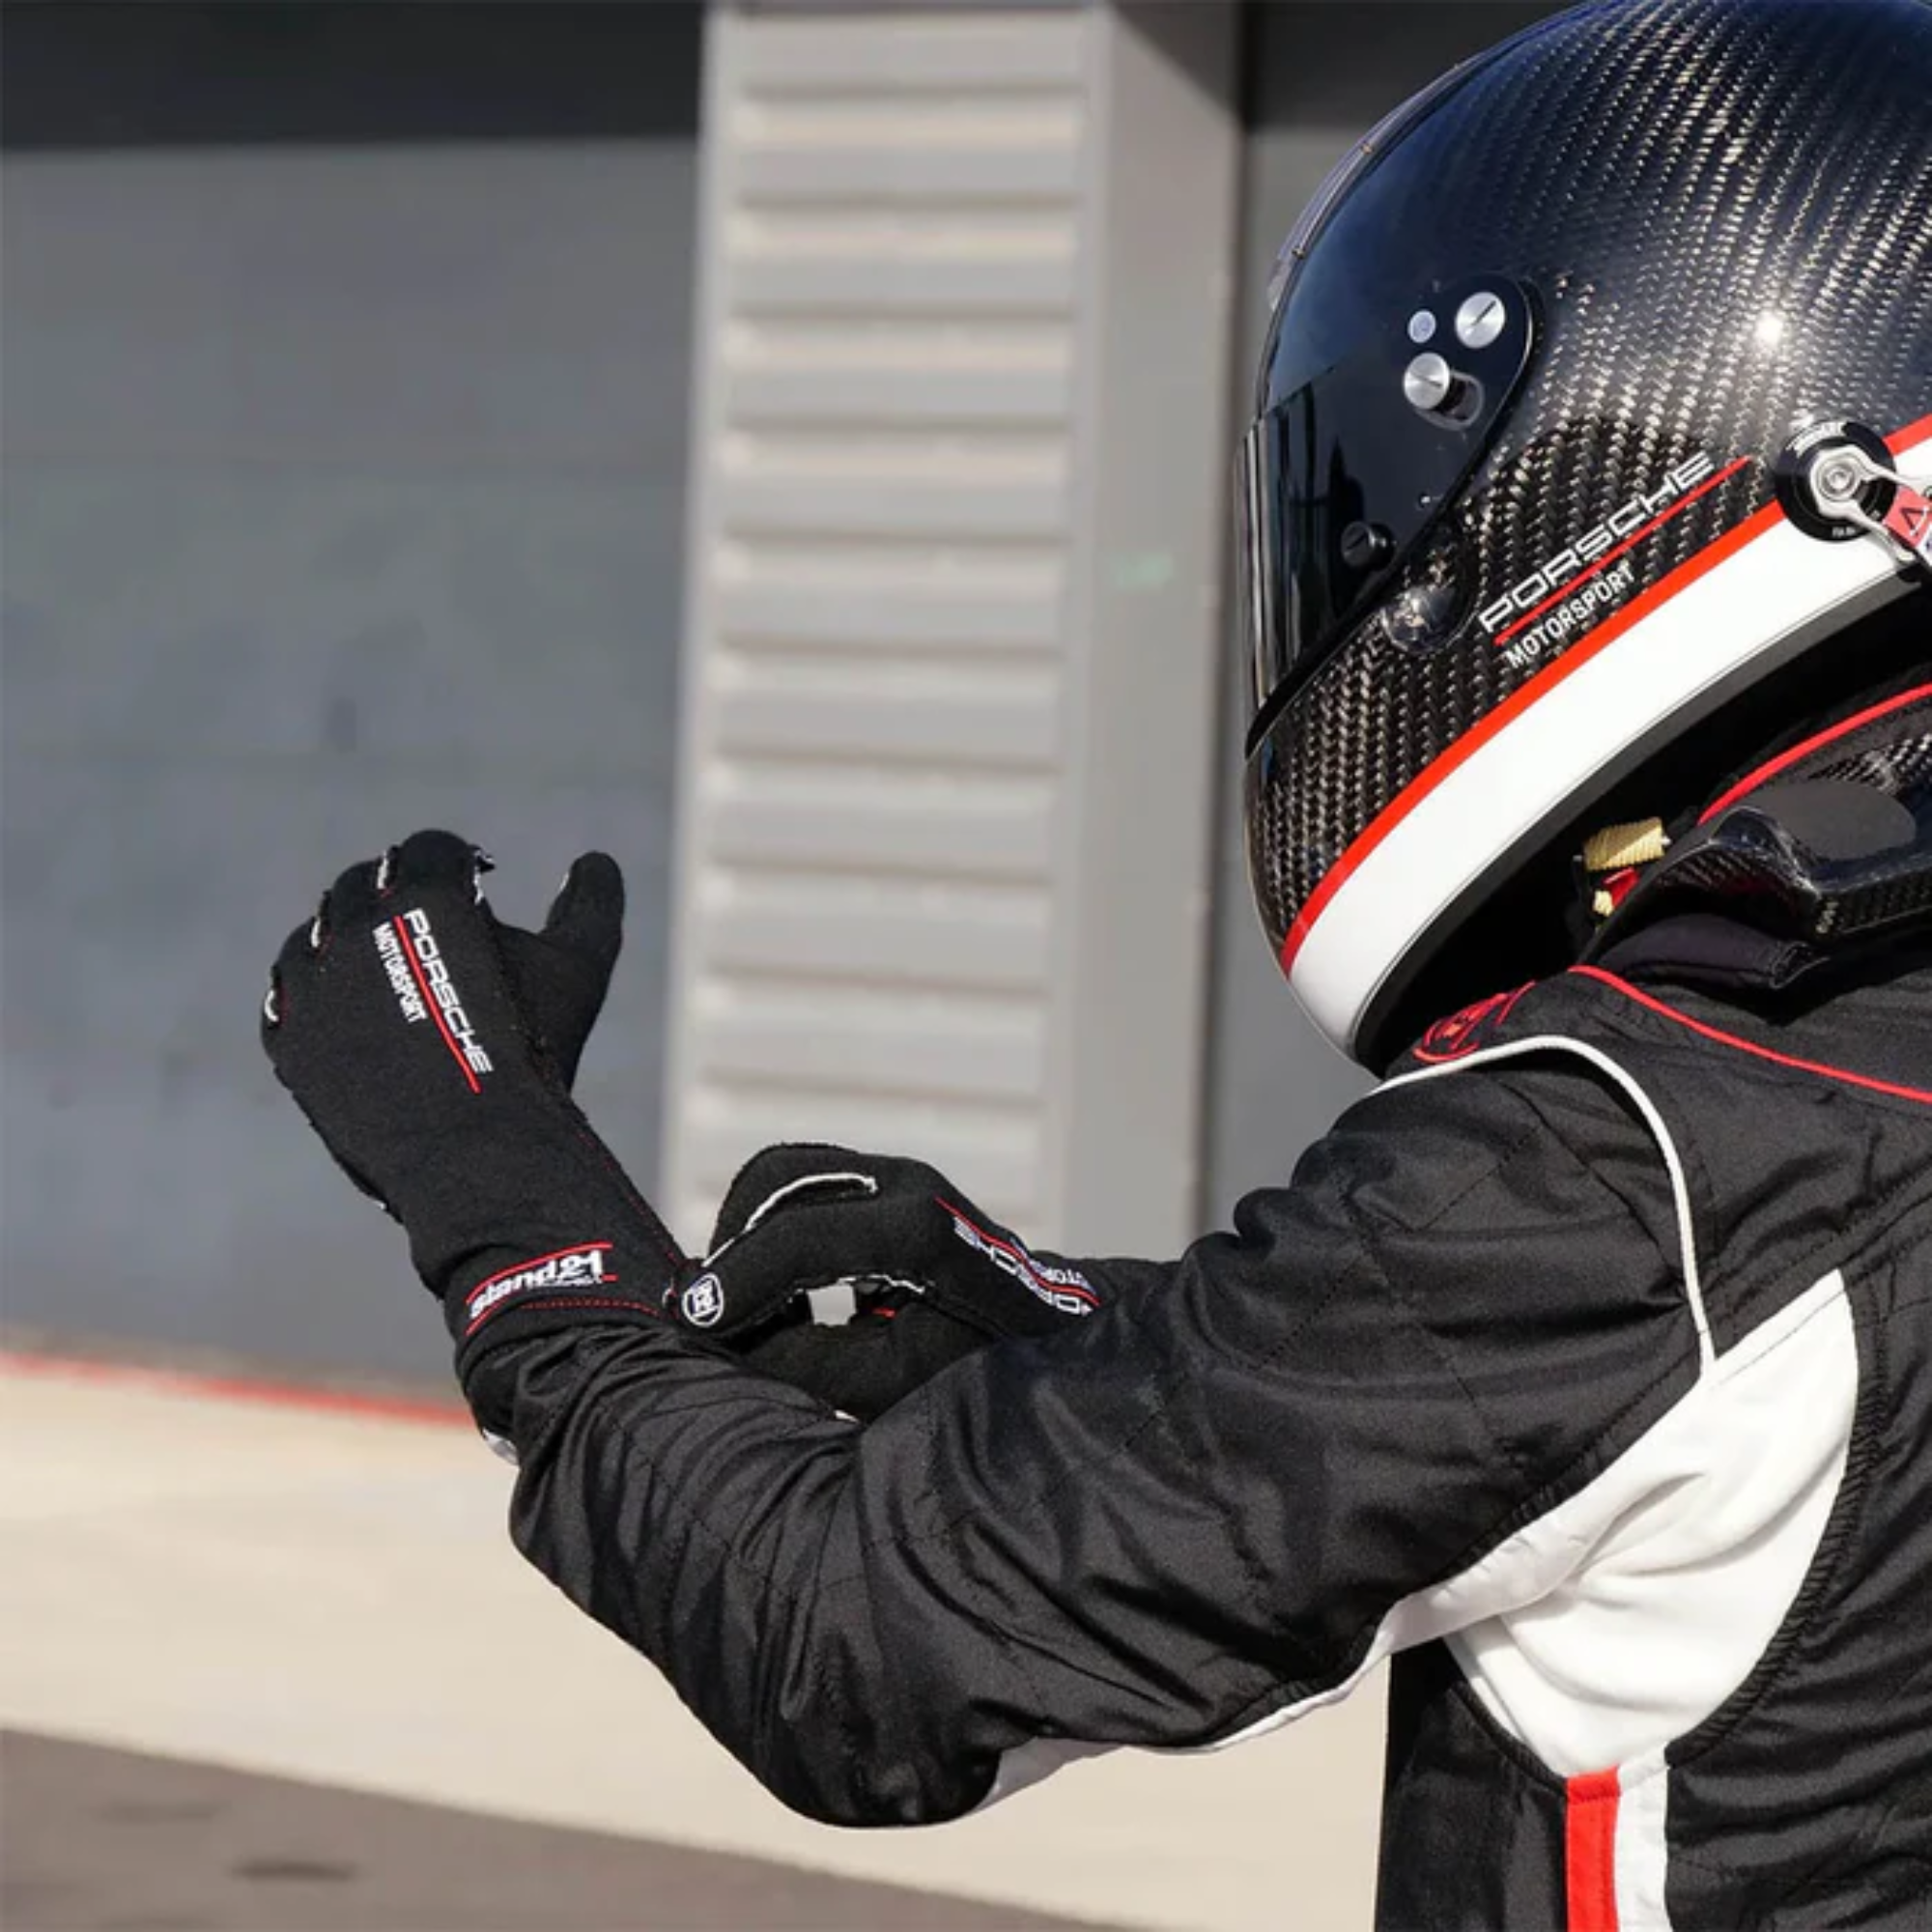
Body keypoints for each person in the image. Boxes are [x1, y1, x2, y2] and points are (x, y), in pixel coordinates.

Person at [262, 0, 1932, 1922]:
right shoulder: (1770, 1108)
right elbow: (1591, 1402)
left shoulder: (1639, 1151)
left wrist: (513, 1222)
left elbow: (860, 1644)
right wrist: (1062, 1318)